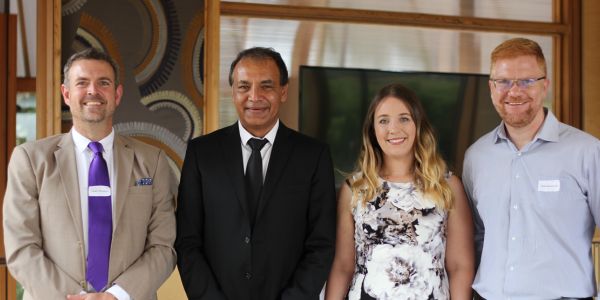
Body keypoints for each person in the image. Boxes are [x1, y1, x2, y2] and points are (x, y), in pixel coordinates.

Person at [3, 48, 177, 300]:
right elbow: (21, 247)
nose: (93, 91)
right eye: (82, 83)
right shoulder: (30, 160)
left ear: (117, 94)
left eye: (103, 83)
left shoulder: (153, 161)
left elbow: (163, 246)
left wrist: (117, 295)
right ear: (66, 93)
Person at [175, 47, 337, 300]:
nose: (254, 96)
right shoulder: (202, 153)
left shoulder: (313, 156)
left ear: (283, 92)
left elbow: (321, 244)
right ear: (233, 92)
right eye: (243, 86)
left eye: (266, 86)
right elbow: (187, 242)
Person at [462, 37, 600, 299]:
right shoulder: (476, 157)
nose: (514, 91)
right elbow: (477, 237)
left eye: (526, 81)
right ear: (491, 87)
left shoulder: (588, 152)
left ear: (545, 85)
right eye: (503, 81)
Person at [325, 83, 474, 300]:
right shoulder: (355, 189)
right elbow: (342, 266)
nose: (393, 129)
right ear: (373, 130)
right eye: (383, 120)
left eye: (404, 118)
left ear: (418, 125)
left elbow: (460, 266)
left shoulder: (447, 186)